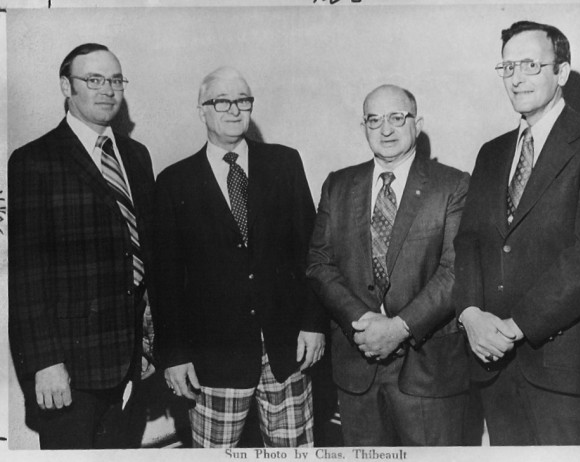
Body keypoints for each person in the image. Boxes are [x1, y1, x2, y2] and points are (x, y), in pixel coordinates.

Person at [453, 21, 580, 445]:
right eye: (508, 66)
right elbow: (468, 244)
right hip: (496, 372)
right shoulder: (491, 152)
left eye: (530, 64)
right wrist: (471, 315)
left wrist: (515, 327)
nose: (516, 77)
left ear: (562, 72)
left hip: (572, 373)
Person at [153, 67, 325, 448]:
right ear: (202, 110)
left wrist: (314, 324)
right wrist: (175, 355)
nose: (234, 110)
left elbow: (313, 252)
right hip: (214, 361)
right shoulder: (173, 182)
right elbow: (165, 280)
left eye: (243, 100)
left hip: (286, 352)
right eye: (222, 101)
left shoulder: (284, 163)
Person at [9, 43, 156, 449]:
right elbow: (27, 275)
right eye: (93, 79)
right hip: (70, 369)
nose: (107, 90)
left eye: (115, 80)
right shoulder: (34, 161)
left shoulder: (136, 156)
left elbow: (146, 252)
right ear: (66, 85)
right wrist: (45, 363)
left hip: (131, 361)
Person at [307, 84, 470, 446]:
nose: (386, 129)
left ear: (418, 123)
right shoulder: (338, 184)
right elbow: (319, 263)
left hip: (428, 371)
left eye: (397, 117)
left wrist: (399, 328)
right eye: (374, 120)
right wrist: (364, 323)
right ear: (363, 126)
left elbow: (454, 270)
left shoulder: (453, 185)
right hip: (357, 366)